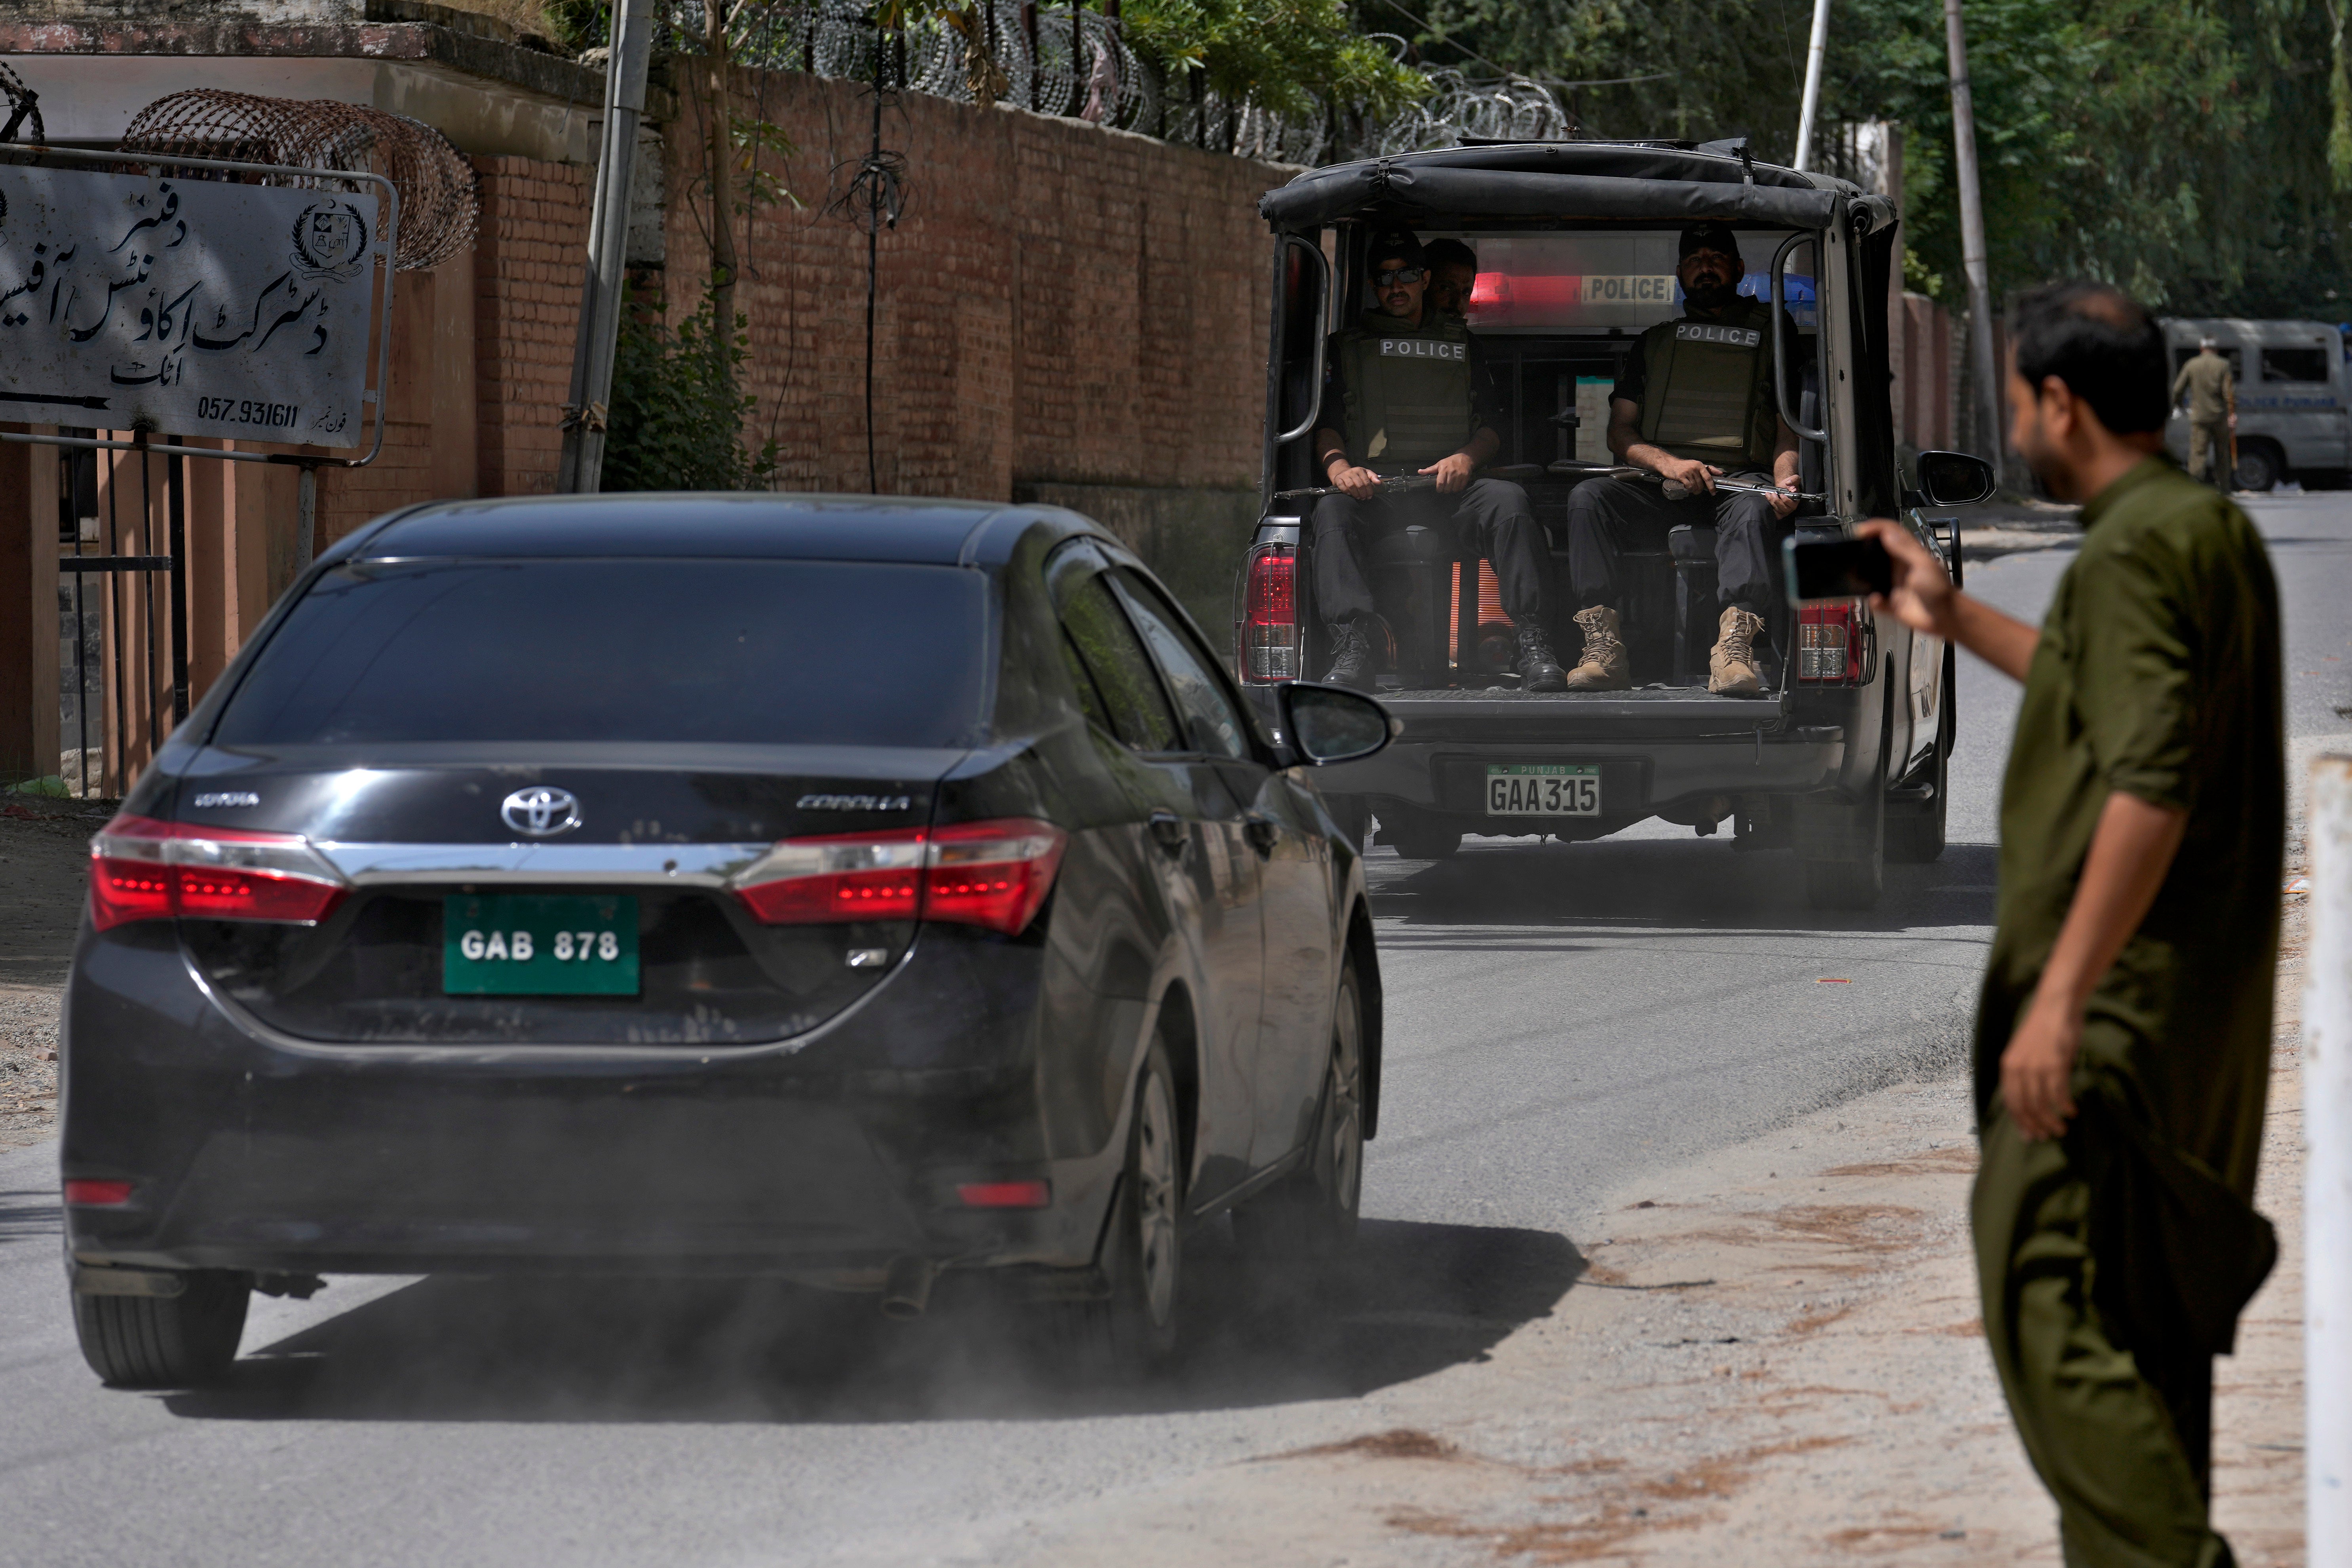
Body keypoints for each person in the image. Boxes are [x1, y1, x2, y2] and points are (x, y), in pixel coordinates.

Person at [1861, 281, 2282, 1568]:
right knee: (2141, 1330)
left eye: (2018, 401)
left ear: (2059, 401)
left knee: (2034, 1272)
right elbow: (2109, 696)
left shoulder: (2139, 547)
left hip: (2114, 1020)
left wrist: (2057, 1002)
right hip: (2191, 1018)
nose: (2015, 429)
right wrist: (1949, 614)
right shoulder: (2198, 530)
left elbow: (2150, 777)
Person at [1310, 229, 1564, 692]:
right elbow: (1326, 425)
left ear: (1424, 279)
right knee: (1331, 510)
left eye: (1406, 275)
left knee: (1509, 501)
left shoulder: (1463, 345)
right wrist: (1340, 470)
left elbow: (1493, 427)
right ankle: (1352, 647)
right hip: (1380, 494)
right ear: (1373, 285)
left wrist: (1466, 458)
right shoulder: (1346, 347)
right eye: (1385, 278)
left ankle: (1533, 641)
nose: (1396, 287)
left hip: (1452, 492)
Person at [1558, 221, 1804, 696]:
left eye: (1715, 258)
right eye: (1694, 261)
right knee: (1588, 498)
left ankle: (1733, 653)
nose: (1705, 268)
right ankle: (1602, 649)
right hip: (1661, 486)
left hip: (1738, 487)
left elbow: (1786, 427)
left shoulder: (1775, 333)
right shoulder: (1654, 341)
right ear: (1679, 273)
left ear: (1736, 269)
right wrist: (1670, 465)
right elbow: (1620, 434)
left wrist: (1784, 481)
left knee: (1754, 510)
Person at [2169, 335, 2237, 491]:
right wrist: (2233, 414)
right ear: (2216, 349)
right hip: (2220, 417)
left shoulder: (2192, 365)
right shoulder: (2223, 365)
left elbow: (2177, 390)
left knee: (2198, 454)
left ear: (2201, 348)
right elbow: (2230, 393)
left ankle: (2195, 487)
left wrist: (2180, 405)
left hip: (2199, 417)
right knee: (2222, 454)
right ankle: (2225, 488)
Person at [1424, 237, 1480, 321]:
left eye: (1466, 293)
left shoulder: (1463, 334)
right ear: (1423, 283)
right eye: (1446, 289)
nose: (1458, 304)